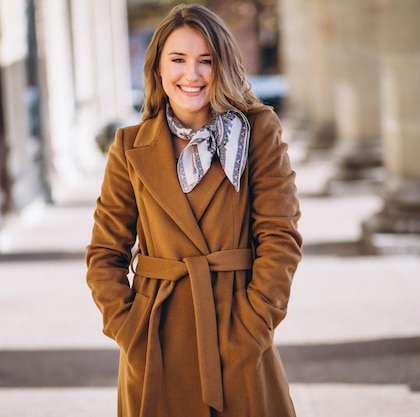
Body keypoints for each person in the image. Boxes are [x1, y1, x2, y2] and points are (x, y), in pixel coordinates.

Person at [85, 4, 302, 417]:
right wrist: (130, 328)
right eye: (178, 60)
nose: (192, 74)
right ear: (158, 69)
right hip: (157, 343)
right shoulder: (130, 147)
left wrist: (253, 326)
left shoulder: (258, 131)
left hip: (237, 334)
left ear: (222, 66)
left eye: (206, 60)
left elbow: (281, 238)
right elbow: (104, 254)